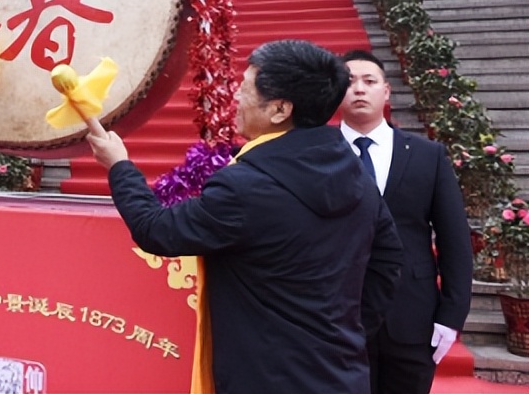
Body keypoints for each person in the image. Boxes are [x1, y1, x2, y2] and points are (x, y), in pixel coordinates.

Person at [87, 39, 403, 393]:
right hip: (340, 372)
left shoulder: (247, 187)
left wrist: (118, 166)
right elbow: (389, 259)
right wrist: (348, 327)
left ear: (280, 109)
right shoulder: (355, 172)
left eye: (246, 88)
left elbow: (156, 229)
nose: (236, 96)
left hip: (264, 377)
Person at [339, 49, 472, 394]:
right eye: (349, 81)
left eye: (369, 81)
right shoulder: (317, 154)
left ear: (386, 91)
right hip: (337, 316)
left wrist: (452, 315)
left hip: (413, 315)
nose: (359, 89)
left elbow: (454, 239)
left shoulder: (428, 156)